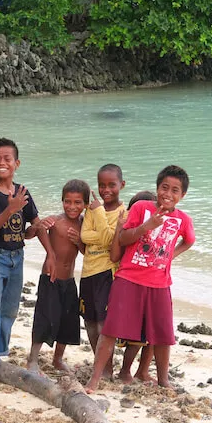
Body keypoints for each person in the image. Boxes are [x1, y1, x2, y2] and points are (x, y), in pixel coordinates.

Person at [85, 165, 195, 393]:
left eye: (175, 190)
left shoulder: (183, 219)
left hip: (160, 284)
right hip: (128, 279)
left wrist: (169, 258)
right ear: (157, 188)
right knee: (111, 330)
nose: (168, 194)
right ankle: (95, 378)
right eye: (164, 187)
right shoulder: (142, 208)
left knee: (163, 334)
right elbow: (123, 238)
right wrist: (147, 226)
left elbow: (189, 241)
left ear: (182, 195)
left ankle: (164, 379)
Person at [0, 137, 55, 385]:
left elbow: (31, 228)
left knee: (9, 309)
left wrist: (50, 253)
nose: (2, 163)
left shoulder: (23, 192)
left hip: (16, 258)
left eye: (7, 159)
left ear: (16, 163)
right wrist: (10, 209)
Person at [26, 179, 90, 374]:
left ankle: (58, 358)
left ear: (85, 204)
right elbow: (28, 234)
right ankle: (33, 359)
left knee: (68, 320)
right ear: (62, 201)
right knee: (44, 317)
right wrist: (39, 225)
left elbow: (87, 252)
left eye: (77, 202)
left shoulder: (84, 225)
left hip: (69, 280)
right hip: (50, 278)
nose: (72, 206)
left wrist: (79, 242)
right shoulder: (55, 220)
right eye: (67, 201)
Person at [79, 164, 125, 379]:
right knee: (89, 322)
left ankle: (107, 368)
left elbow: (109, 240)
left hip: (108, 273)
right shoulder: (91, 209)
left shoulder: (124, 212)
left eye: (111, 185)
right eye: (101, 185)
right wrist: (104, 228)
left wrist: (97, 212)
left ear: (121, 185)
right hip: (88, 273)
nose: (106, 190)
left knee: (103, 323)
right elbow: (84, 236)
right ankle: (100, 364)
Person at [109, 190, 157, 384]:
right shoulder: (129, 233)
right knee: (136, 335)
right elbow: (114, 257)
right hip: (130, 286)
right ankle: (125, 370)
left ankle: (143, 371)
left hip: (154, 287)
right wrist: (118, 230)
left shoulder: (156, 234)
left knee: (154, 333)